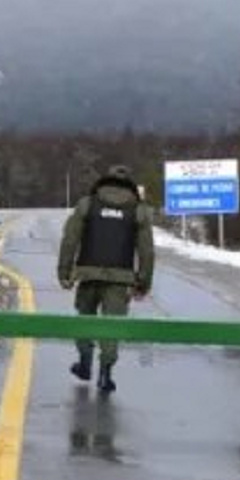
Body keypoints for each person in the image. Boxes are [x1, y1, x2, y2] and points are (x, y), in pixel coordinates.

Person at [57, 164, 155, 394]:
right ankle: (105, 374)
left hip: (88, 274)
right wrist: (143, 282)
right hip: (120, 279)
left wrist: (65, 272)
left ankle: (84, 363)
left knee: (85, 319)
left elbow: (69, 239)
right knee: (112, 326)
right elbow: (147, 251)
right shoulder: (138, 210)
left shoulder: (88, 204)